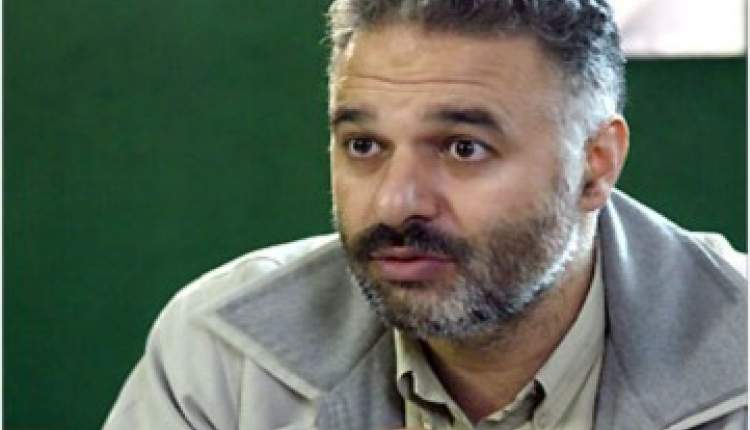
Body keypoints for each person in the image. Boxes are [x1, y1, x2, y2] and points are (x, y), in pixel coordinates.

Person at [102, 1, 747, 429]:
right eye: (364, 145)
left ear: (595, 165)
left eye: (464, 148)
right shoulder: (224, 358)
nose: (395, 202)